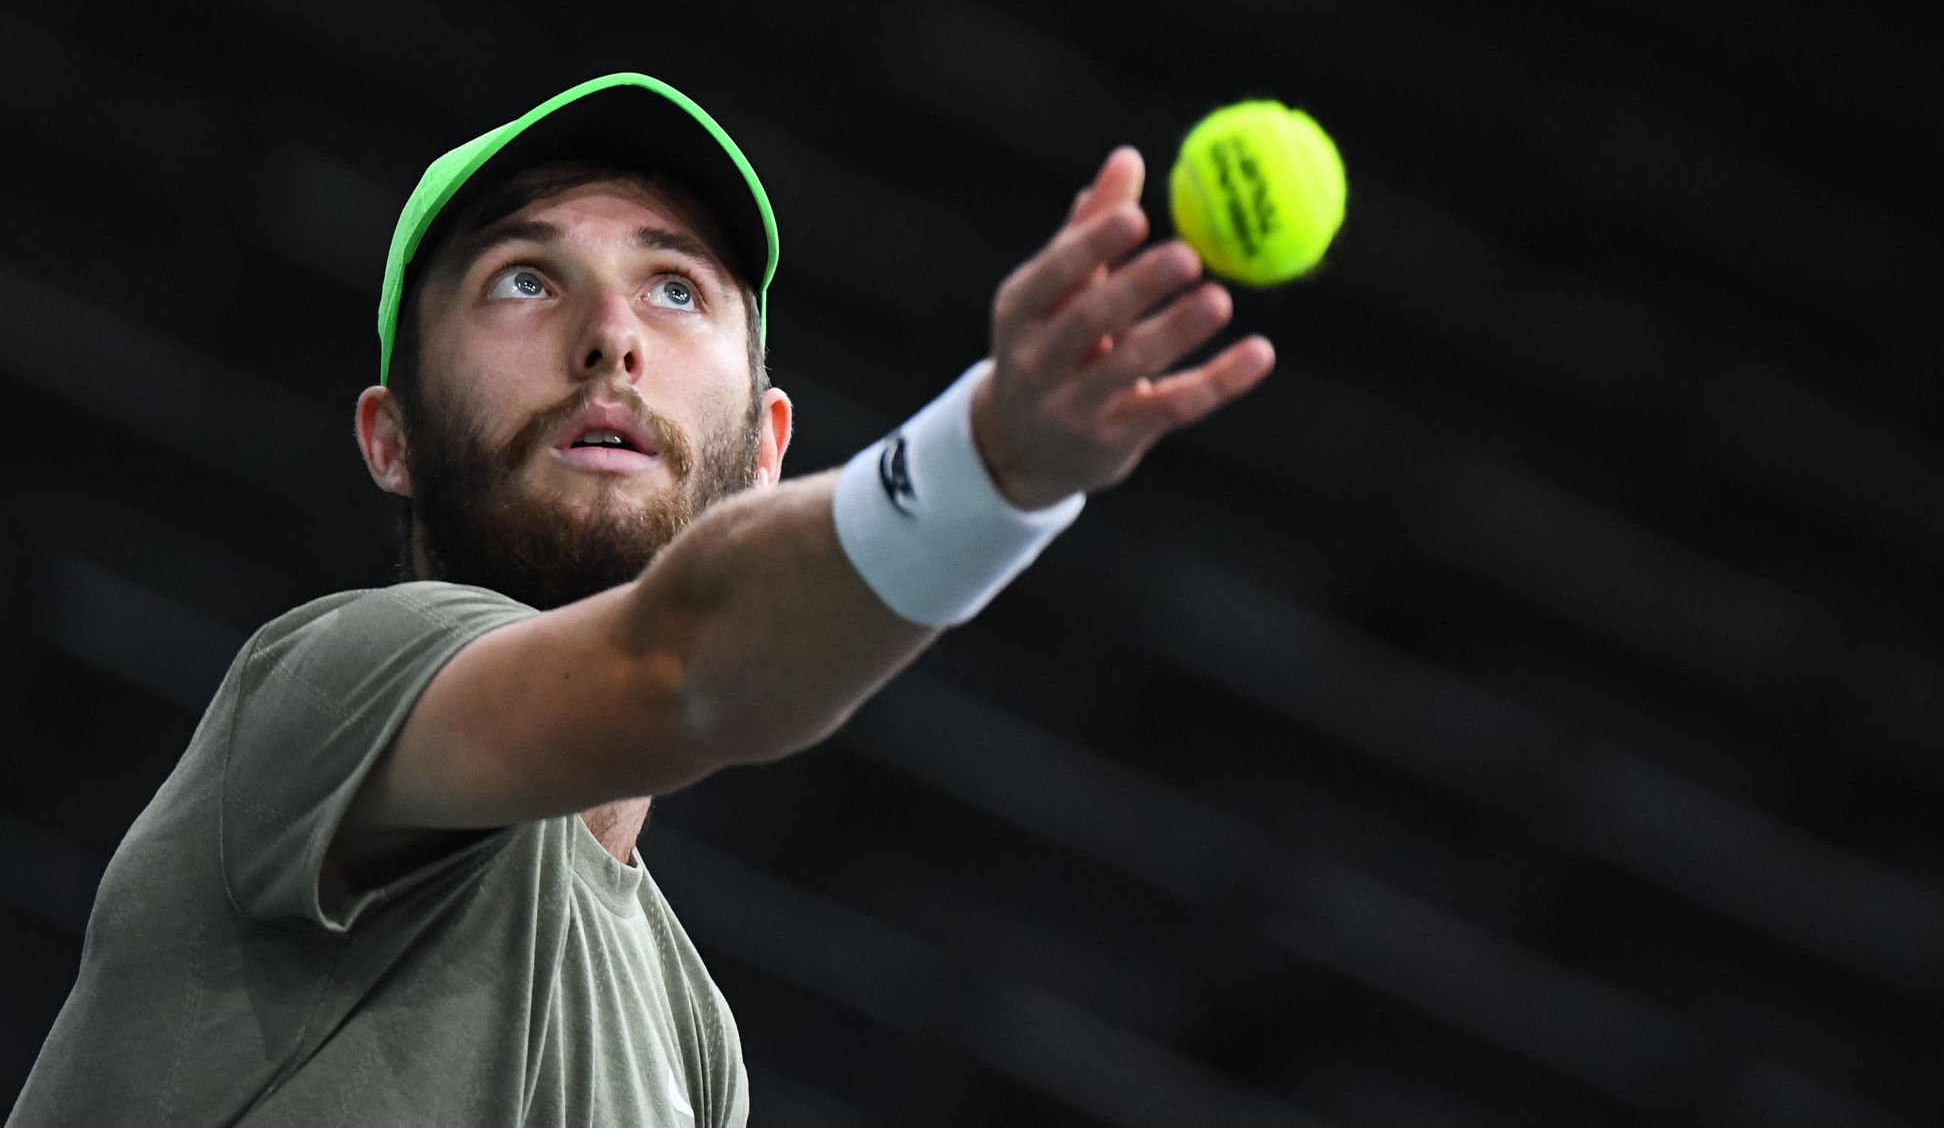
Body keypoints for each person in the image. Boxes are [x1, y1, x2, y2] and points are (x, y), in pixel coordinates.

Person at [7, 72, 1275, 1126]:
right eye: (524, 278)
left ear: (768, 447)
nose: (610, 333)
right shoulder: (328, 681)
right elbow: (681, 668)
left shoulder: (692, 1040)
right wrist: (983, 467)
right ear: (392, 437)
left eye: (676, 287)